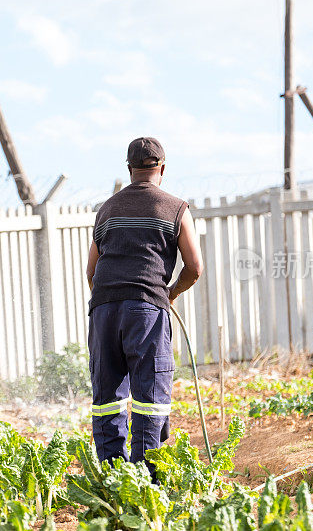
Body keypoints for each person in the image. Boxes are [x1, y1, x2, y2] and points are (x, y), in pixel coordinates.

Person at [85, 137, 204, 473]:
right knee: (150, 398)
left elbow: (92, 271)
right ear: (162, 168)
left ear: (129, 170)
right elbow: (194, 268)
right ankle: (145, 481)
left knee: (107, 398)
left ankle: (113, 477)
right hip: (146, 309)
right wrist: (169, 294)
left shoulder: (106, 209)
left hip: (104, 309)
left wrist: (110, 303)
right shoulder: (176, 208)